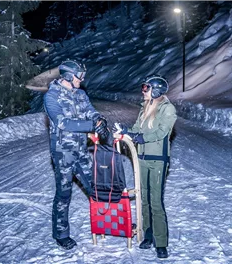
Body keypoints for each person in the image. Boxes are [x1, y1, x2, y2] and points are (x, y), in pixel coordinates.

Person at [44, 59, 109, 250]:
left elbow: (90, 111)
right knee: (64, 194)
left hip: (81, 150)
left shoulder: (80, 94)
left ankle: (108, 222)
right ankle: (61, 234)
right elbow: (62, 123)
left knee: (96, 187)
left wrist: (99, 121)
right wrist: (91, 127)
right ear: (68, 76)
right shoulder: (52, 96)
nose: (82, 79)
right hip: (63, 153)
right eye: (79, 76)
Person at [113, 75, 177, 259]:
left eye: (146, 88)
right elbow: (136, 129)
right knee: (144, 199)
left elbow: (162, 132)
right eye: (143, 87)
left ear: (156, 90)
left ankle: (161, 242)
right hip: (141, 158)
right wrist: (127, 132)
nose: (143, 91)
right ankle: (148, 234)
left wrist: (142, 138)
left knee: (156, 201)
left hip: (158, 159)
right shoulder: (145, 108)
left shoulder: (168, 109)